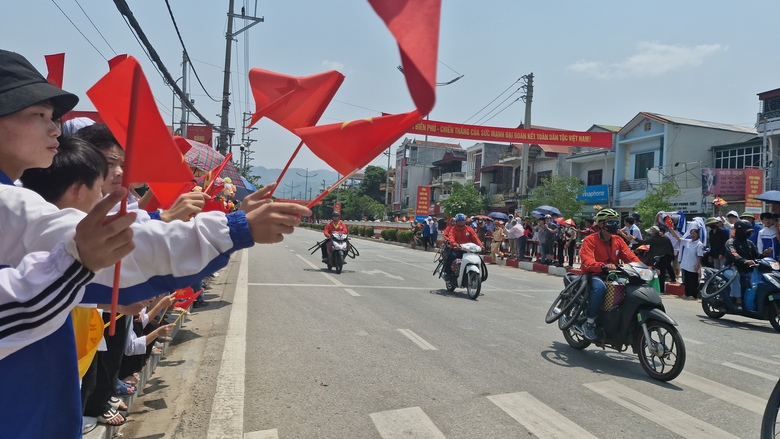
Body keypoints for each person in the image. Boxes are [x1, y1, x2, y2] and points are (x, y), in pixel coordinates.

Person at [0, 49, 310, 438]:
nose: (55, 131)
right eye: (38, 115)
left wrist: (234, 226)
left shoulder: (13, 198)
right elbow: (108, 251)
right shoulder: (11, 202)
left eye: (53, 118)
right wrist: (235, 229)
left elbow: (121, 250)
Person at [578, 208, 641, 340]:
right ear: (601, 224)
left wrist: (644, 268)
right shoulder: (590, 240)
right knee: (600, 288)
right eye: (611, 222)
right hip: (595, 274)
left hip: (614, 275)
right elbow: (586, 260)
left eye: (615, 222)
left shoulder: (618, 240)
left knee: (631, 289)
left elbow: (631, 258)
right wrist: (602, 266)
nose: (615, 225)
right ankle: (589, 323)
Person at [724, 219, 762, 310]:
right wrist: (745, 261)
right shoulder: (730, 242)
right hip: (730, 268)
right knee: (735, 276)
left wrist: (764, 254)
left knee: (757, 279)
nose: (749, 234)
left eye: (750, 232)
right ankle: (738, 300)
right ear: (740, 231)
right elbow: (734, 254)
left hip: (745, 269)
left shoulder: (750, 243)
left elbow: (757, 255)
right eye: (747, 232)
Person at [627, 225, 676, 293]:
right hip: (668, 255)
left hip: (663, 256)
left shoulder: (657, 239)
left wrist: (634, 238)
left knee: (661, 273)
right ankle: (673, 279)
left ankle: (661, 289)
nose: (650, 234)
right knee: (668, 267)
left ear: (654, 233)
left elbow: (644, 242)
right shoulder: (664, 237)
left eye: (651, 233)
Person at [667, 226, 705, 299]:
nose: (692, 235)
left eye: (694, 233)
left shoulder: (699, 244)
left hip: (693, 265)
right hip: (686, 264)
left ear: (697, 234)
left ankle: (694, 295)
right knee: (687, 280)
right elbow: (678, 238)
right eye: (691, 233)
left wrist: (698, 265)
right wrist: (672, 231)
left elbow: (700, 255)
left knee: (693, 281)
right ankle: (687, 294)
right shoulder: (688, 242)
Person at [443, 213, 483, 279]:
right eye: (459, 221)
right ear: (456, 221)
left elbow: (475, 237)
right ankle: (448, 273)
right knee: (451, 256)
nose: (461, 222)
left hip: (468, 250)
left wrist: (480, 245)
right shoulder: (453, 229)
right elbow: (451, 237)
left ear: (465, 221)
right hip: (456, 249)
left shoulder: (469, 229)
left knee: (478, 258)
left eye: (462, 220)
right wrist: (454, 243)